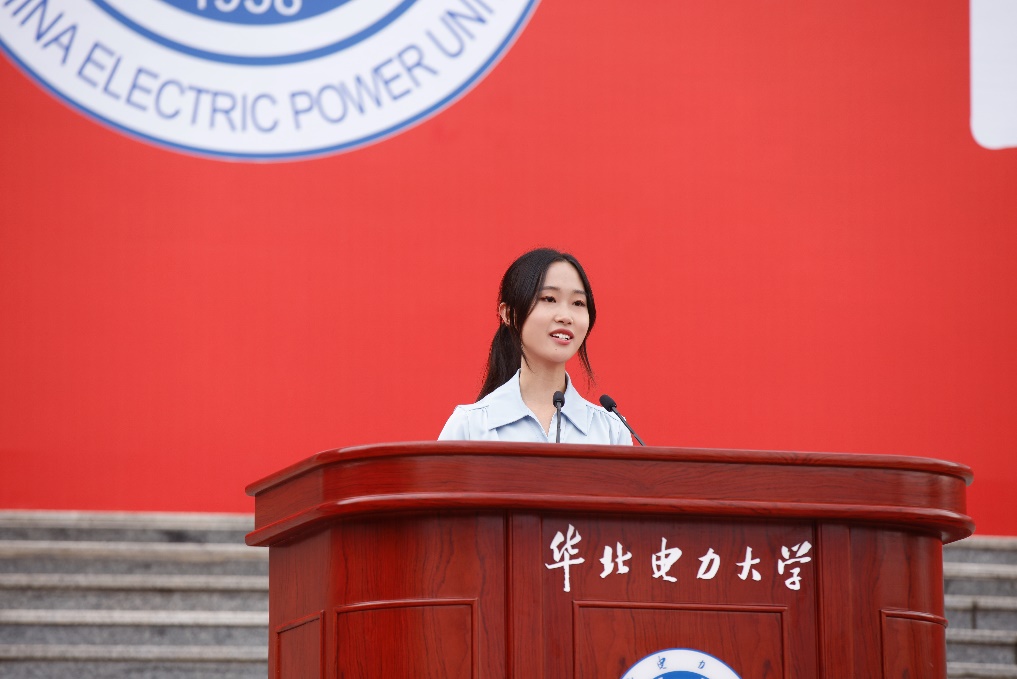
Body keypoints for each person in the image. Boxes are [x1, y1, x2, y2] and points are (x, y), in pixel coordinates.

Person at [438, 248, 632, 445]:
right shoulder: (469, 426)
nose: (566, 317)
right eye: (549, 299)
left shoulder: (611, 430)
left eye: (578, 303)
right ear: (510, 314)